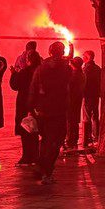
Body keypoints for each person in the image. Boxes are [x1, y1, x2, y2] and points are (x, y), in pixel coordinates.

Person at [28, 41, 72, 184]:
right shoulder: (66, 68)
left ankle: (42, 166)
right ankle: (46, 169)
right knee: (56, 141)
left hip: (42, 111)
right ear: (62, 52)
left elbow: (33, 89)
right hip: (58, 110)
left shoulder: (41, 68)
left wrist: (31, 109)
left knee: (45, 140)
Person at [9, 41, 42, 165]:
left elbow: (15, 85)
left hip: (25, 103)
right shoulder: (41, 71)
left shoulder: (25, 72)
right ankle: (36, 155)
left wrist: (13, 74)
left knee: (25, 129)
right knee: (35, 130)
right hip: (38, 104)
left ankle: (27, 156)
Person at [81, 50, 101, 149]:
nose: (82, 57)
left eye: (84, 56)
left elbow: (84, 83)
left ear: (88, 57)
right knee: (95, 116)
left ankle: (86, 140)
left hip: (87, 96)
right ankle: (97, 137)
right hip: (95, 96)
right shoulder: (98, 69)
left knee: (86, 117)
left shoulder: (85, 69)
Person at [67, 55, 85, 151]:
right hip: (77, 100)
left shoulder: (74, 75)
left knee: (70, 121)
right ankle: (74, 140)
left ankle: (70, 141)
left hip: (71, 101)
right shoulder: (81, 74)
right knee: (74, 121)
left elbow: (68, 88)